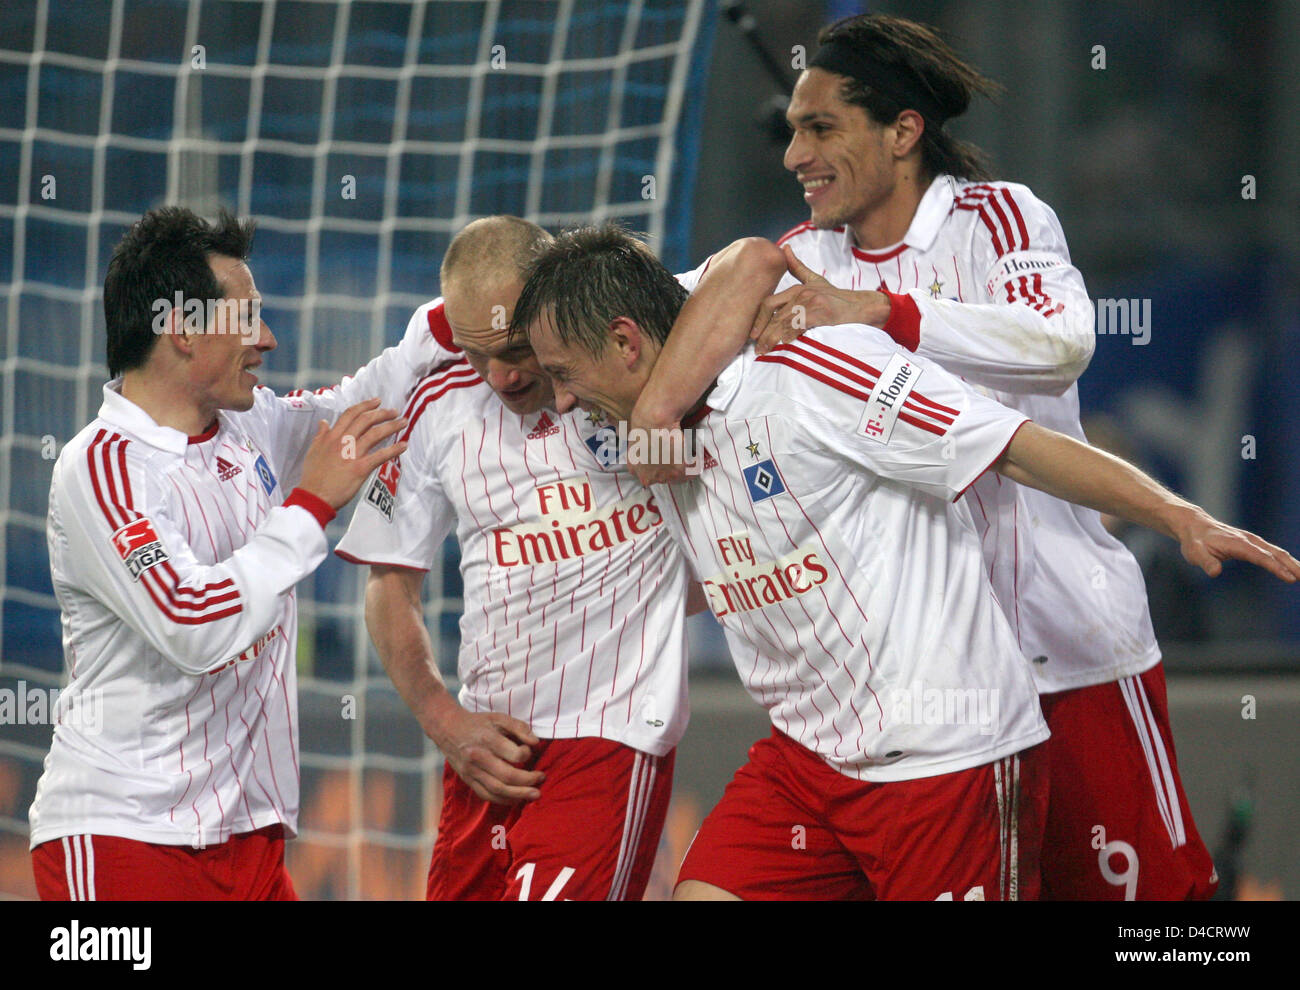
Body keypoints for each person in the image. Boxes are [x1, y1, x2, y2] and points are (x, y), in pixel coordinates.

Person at [514, 223, 1299, 901]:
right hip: (807, 761)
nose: (560, 404)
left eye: (561, 375)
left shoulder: (815, 369)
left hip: (943, 759)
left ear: (624, 341)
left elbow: (1013, 449)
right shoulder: (624, 421)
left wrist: (1176, 513)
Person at [631, 12, 1222, 900]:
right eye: (791, 130)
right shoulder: (794, 259)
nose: (791, 155)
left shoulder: (1001, 218)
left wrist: (889, 313)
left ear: (904, 131)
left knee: (1162, 923)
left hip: (1063, 649)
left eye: (820, 127)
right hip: (915, 699)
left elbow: (1061, 341)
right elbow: (660, 304)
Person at [334, 216, 773, 900]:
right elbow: (390, 583)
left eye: (516, 348)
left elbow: (749, 258)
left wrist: (656, 414)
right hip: (485, 753)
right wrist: (446, 723)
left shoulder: (634, 342)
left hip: (606, 740)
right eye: (479, 356)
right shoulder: (438, 404)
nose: (503, 377)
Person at [29, 206, 441, 900]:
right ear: (183, 328)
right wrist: (310, 505)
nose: (269, 339)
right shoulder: (100, 470)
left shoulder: (250, 427)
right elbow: (195, 623)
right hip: (123, 840)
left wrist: (448, 322)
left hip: (245, 846)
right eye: (247, 318)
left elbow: (364, 405)